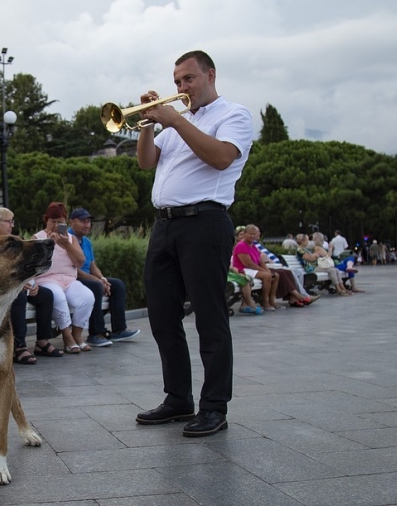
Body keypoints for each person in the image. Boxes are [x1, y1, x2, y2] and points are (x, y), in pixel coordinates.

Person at [134, 50, 254, 437]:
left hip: (205, 223)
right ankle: (178, 398)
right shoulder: (177, 125)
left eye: (188, 79)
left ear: (210, 75)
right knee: (162, 316)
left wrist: (172, 119)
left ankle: (214, 406)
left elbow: (220, 158)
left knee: (210, 316)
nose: (181, 88)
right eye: (176, 82)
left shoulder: (233, 115)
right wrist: (148, 125)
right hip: (165, 225)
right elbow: (146, 162)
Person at [0, 207, 61, 363]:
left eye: (12, 221)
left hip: (18, 285)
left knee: (46, 295)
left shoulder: (13, 242)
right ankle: (18, 347)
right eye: (8, 221)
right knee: (18, 296)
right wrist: (19, 284)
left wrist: (30, 282)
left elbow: (25, 265)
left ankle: (42, 342)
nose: (12, 225)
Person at [68, 208, 140, 347]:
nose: (87, 225)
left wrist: (103, 278)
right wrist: (97, 281)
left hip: (88, 278)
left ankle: (119, 330)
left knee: (117, 284)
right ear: (72, 222)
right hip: (73, 279)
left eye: (89, 221)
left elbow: (92, 265)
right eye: (83, 221)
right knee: (96, 286)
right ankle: (96, 333)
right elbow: (73, 270)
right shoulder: (67, 239)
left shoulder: (86, 242)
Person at [32, 202, 95, 353]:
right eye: (52, 221)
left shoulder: (70, 238)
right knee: (58, 297)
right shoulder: (38, 237)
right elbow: (34, 265)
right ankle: (67, 338)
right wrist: (50, 243)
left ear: (65, 221)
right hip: (47, 279)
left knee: (87, 297)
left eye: (59, 221)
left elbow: (80, 262)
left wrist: (66, 244)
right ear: (46, 220)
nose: (56, 225)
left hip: (69, 279)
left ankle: (77, 335)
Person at [234, 225, 313, 309]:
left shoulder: (253, 246)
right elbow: (248, 264)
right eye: (250, 234)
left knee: (276, 275)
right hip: (243, 269)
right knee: (267, 276)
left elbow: (260, 260)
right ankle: (265, 302)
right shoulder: (241, 246)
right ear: (245, 233)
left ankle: (272, 301)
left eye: (254, 234)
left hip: (253, 268)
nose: (252, 236)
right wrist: (264, 271)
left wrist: (267, 270)